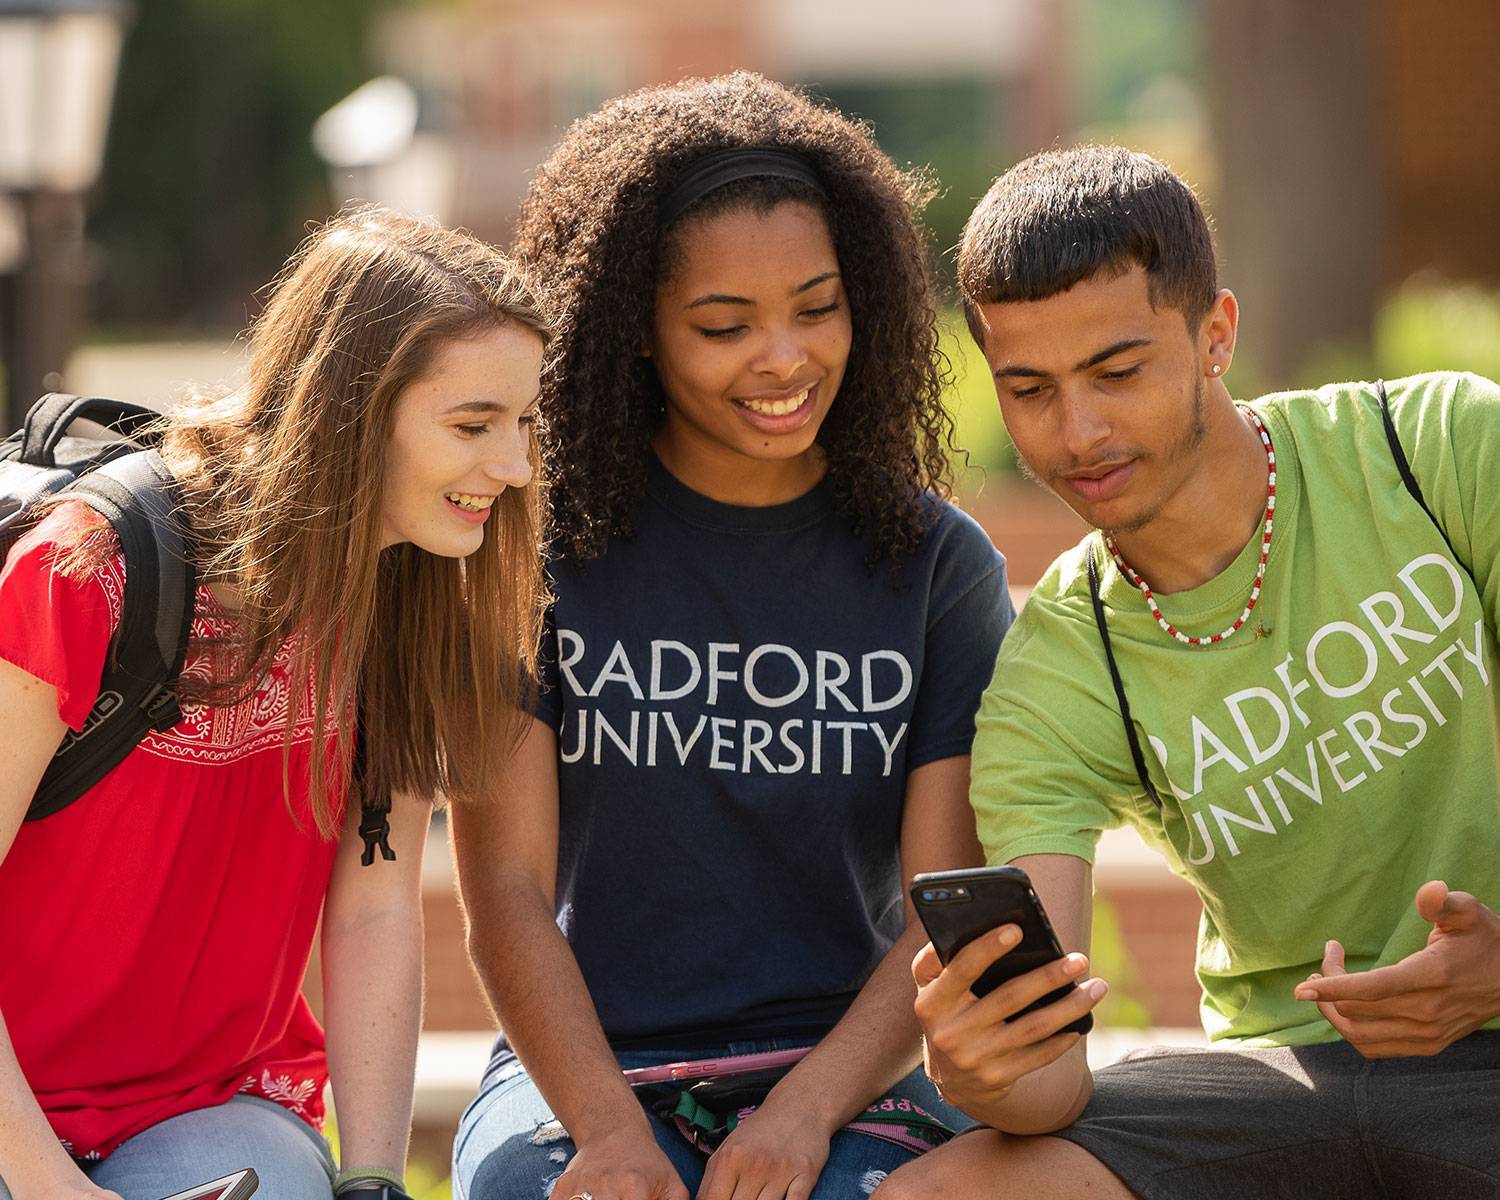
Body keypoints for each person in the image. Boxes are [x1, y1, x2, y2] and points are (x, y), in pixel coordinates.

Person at [873, 145, 1500, 1200]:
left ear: (1216, 335)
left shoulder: (1438, 448)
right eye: (1029, 390)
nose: (1078, 434)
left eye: (1118, 374)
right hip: (1274, 1075)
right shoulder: (1056, 669)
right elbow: (1050, 1088)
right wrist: (982, 1065)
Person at [450, 72, 1015, 1200]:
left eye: (818, 307)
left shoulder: (937, 569)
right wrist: (609, 1136)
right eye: (723, 325)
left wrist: (805, 1115)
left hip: (851, 1068)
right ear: (635, 334)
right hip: (587, 1069)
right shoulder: (531, 551)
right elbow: (504, 894)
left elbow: (942, 907)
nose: (784, 359)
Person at [0, 207, 552, 1200]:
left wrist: (376, 1178)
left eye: (525, 424)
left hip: (206, 1108)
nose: (513, 470)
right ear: (347, 407)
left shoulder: (412, 594)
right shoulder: (88, 571)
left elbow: (378, 903)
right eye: (474, 426)